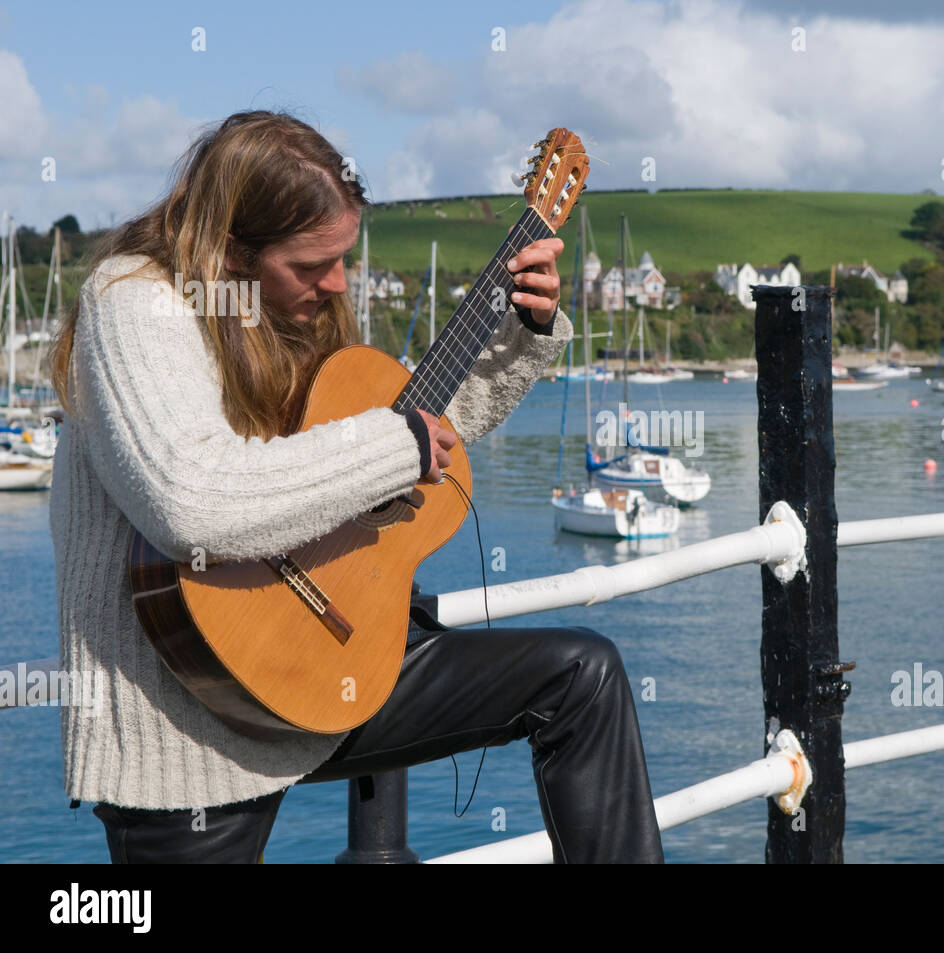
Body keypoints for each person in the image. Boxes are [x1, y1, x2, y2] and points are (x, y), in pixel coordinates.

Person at [47, 110, 664, 863]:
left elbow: (418, 432)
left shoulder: (289, 305)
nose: (336, 282)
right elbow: (190, 502)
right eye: (311, 266)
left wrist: (524, 332)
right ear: (231, 250)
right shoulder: (135, 303)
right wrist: (392, 444)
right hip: (186, 716)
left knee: (582, 676)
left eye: (343, 257)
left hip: (329, 664)